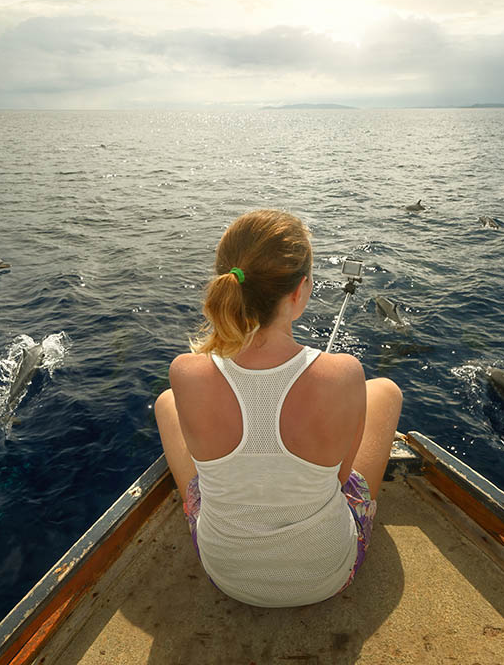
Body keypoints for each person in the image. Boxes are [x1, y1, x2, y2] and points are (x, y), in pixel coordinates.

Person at [155, 209, 402, 607]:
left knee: (167, 402)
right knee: (386, 391)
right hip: (329, 573)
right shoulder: (343, 374)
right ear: (299, 290)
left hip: (225, 574)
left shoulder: (185, 371)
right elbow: (341, 481)